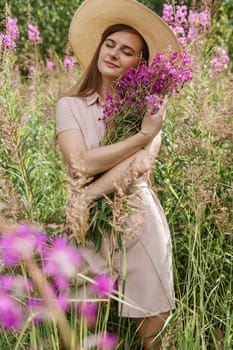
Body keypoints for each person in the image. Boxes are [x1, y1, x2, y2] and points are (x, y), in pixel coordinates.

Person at [56, 0, 180, 349]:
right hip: (87, 225)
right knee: (84, 323)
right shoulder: (71, 106)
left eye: (127, 51)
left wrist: (88, 194)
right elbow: (80, 163)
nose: (113, 53)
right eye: (110, 44)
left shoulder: (151, 107)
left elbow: (142, 166)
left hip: (137, 220)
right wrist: (141, 137)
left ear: (140, 64)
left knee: (152, 324)